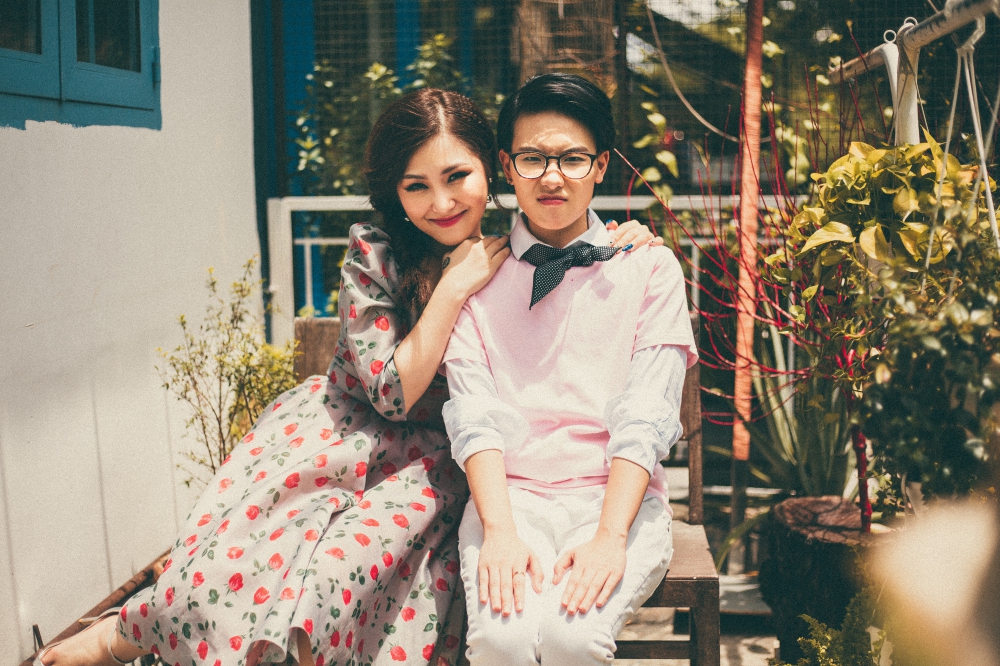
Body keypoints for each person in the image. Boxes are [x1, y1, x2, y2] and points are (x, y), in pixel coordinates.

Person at [37, 87, 658, 666]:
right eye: (416, 186)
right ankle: (120, 635)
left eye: (457, 177)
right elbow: (390, 394)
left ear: (491, 172)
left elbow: (579, 261)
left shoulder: (512, 252)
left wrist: (624, 238)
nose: (442, 203)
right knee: (241, 568)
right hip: (345, 437)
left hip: (443, 462)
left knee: (339, 576)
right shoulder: (377, 253)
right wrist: (453, 289)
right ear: (395, 192)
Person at [441, 73, 699, 666]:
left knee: (572, 641)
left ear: (601, 165)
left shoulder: (649, 268)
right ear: (507, 166)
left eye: (573, 159)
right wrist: (500, 532)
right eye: (532, 158)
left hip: (616, 499)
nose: (552, 177)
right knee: (501, 643)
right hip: (510, 501)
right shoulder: (474, 276)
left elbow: (646, 415)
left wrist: (609, 537)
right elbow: (474, 418)